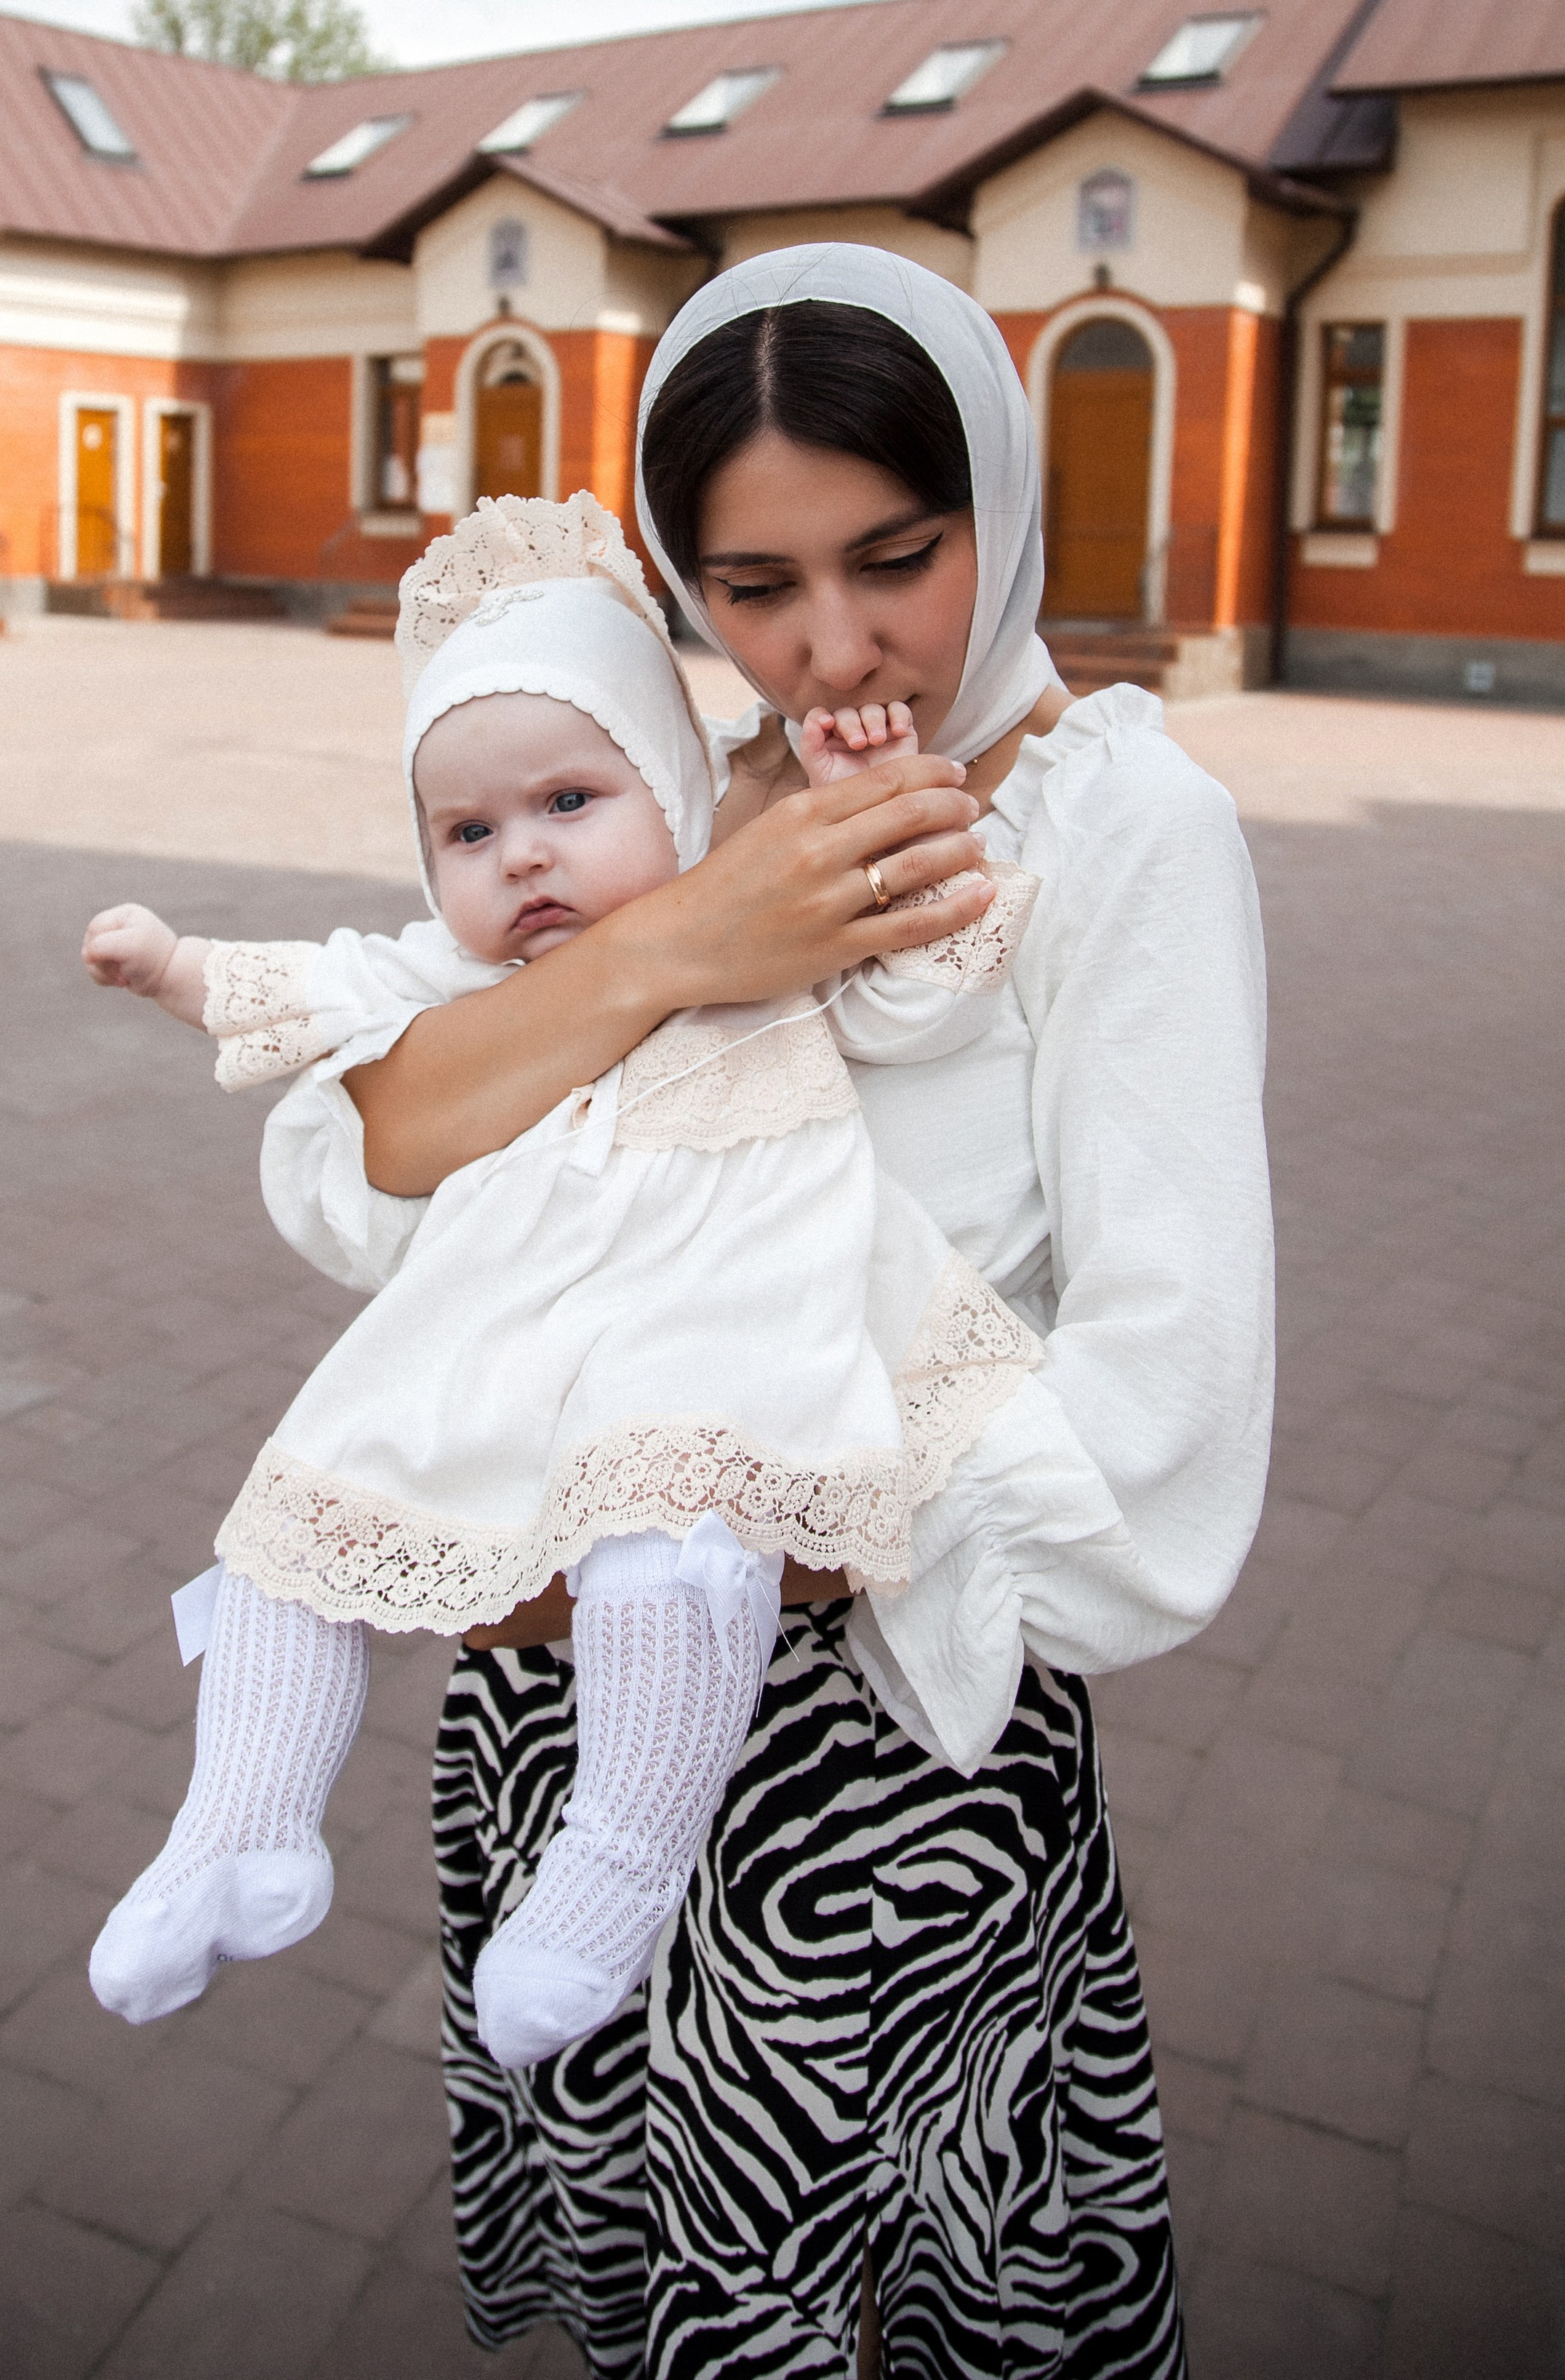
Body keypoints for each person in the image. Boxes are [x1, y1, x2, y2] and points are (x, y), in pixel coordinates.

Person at [316, 247, 1272, 2378]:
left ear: (998, 511)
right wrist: (683, 941)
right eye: (751, 587)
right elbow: (383, 1149)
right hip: (557, 1734)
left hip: (873, 1767)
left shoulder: (1126, 831)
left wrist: (685, 1543)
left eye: (898, 559)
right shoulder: (680, 801)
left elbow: (1165, 1421)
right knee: (662, 2291)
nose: (836, 645)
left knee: (887, 2294)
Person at [79, 493, 1042, 2076]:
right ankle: (236, 1827)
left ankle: (617, 1861)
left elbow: (929, 981)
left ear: (668, 792)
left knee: (668, 1541)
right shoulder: (464, 985)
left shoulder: (761, 944)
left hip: (716, 1333)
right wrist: (178, 969)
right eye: (466, 834)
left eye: (569, 801)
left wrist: (873, 800)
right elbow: (331, 990)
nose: (519, 854)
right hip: (501, 1346)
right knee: (298, 1520)